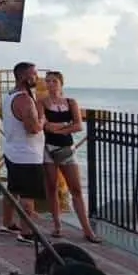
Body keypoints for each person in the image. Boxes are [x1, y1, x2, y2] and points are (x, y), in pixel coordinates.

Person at [41, 70, 100, 243]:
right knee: (52, 188)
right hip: (48, 149)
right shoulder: (42, 102)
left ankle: (87, 229)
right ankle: (57, 225)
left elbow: (78, 126)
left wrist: (59, 127)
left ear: (61, 83)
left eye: (54, 81)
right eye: (48, 81)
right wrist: (63, 126)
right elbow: (45, 125)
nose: (51, 85)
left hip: (67, 148)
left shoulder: (70, 102)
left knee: (76, 189)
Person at [0, 61, 46, 244]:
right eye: (34, 74)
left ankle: (7, 223)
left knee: (12, 190)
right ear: (25, 76)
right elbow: (32, 128)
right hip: (27, 154)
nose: (37, 77)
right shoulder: (25, 99)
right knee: (28, 195)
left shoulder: (10, 95)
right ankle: (26, 233)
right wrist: (42, 120)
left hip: (12, 150)